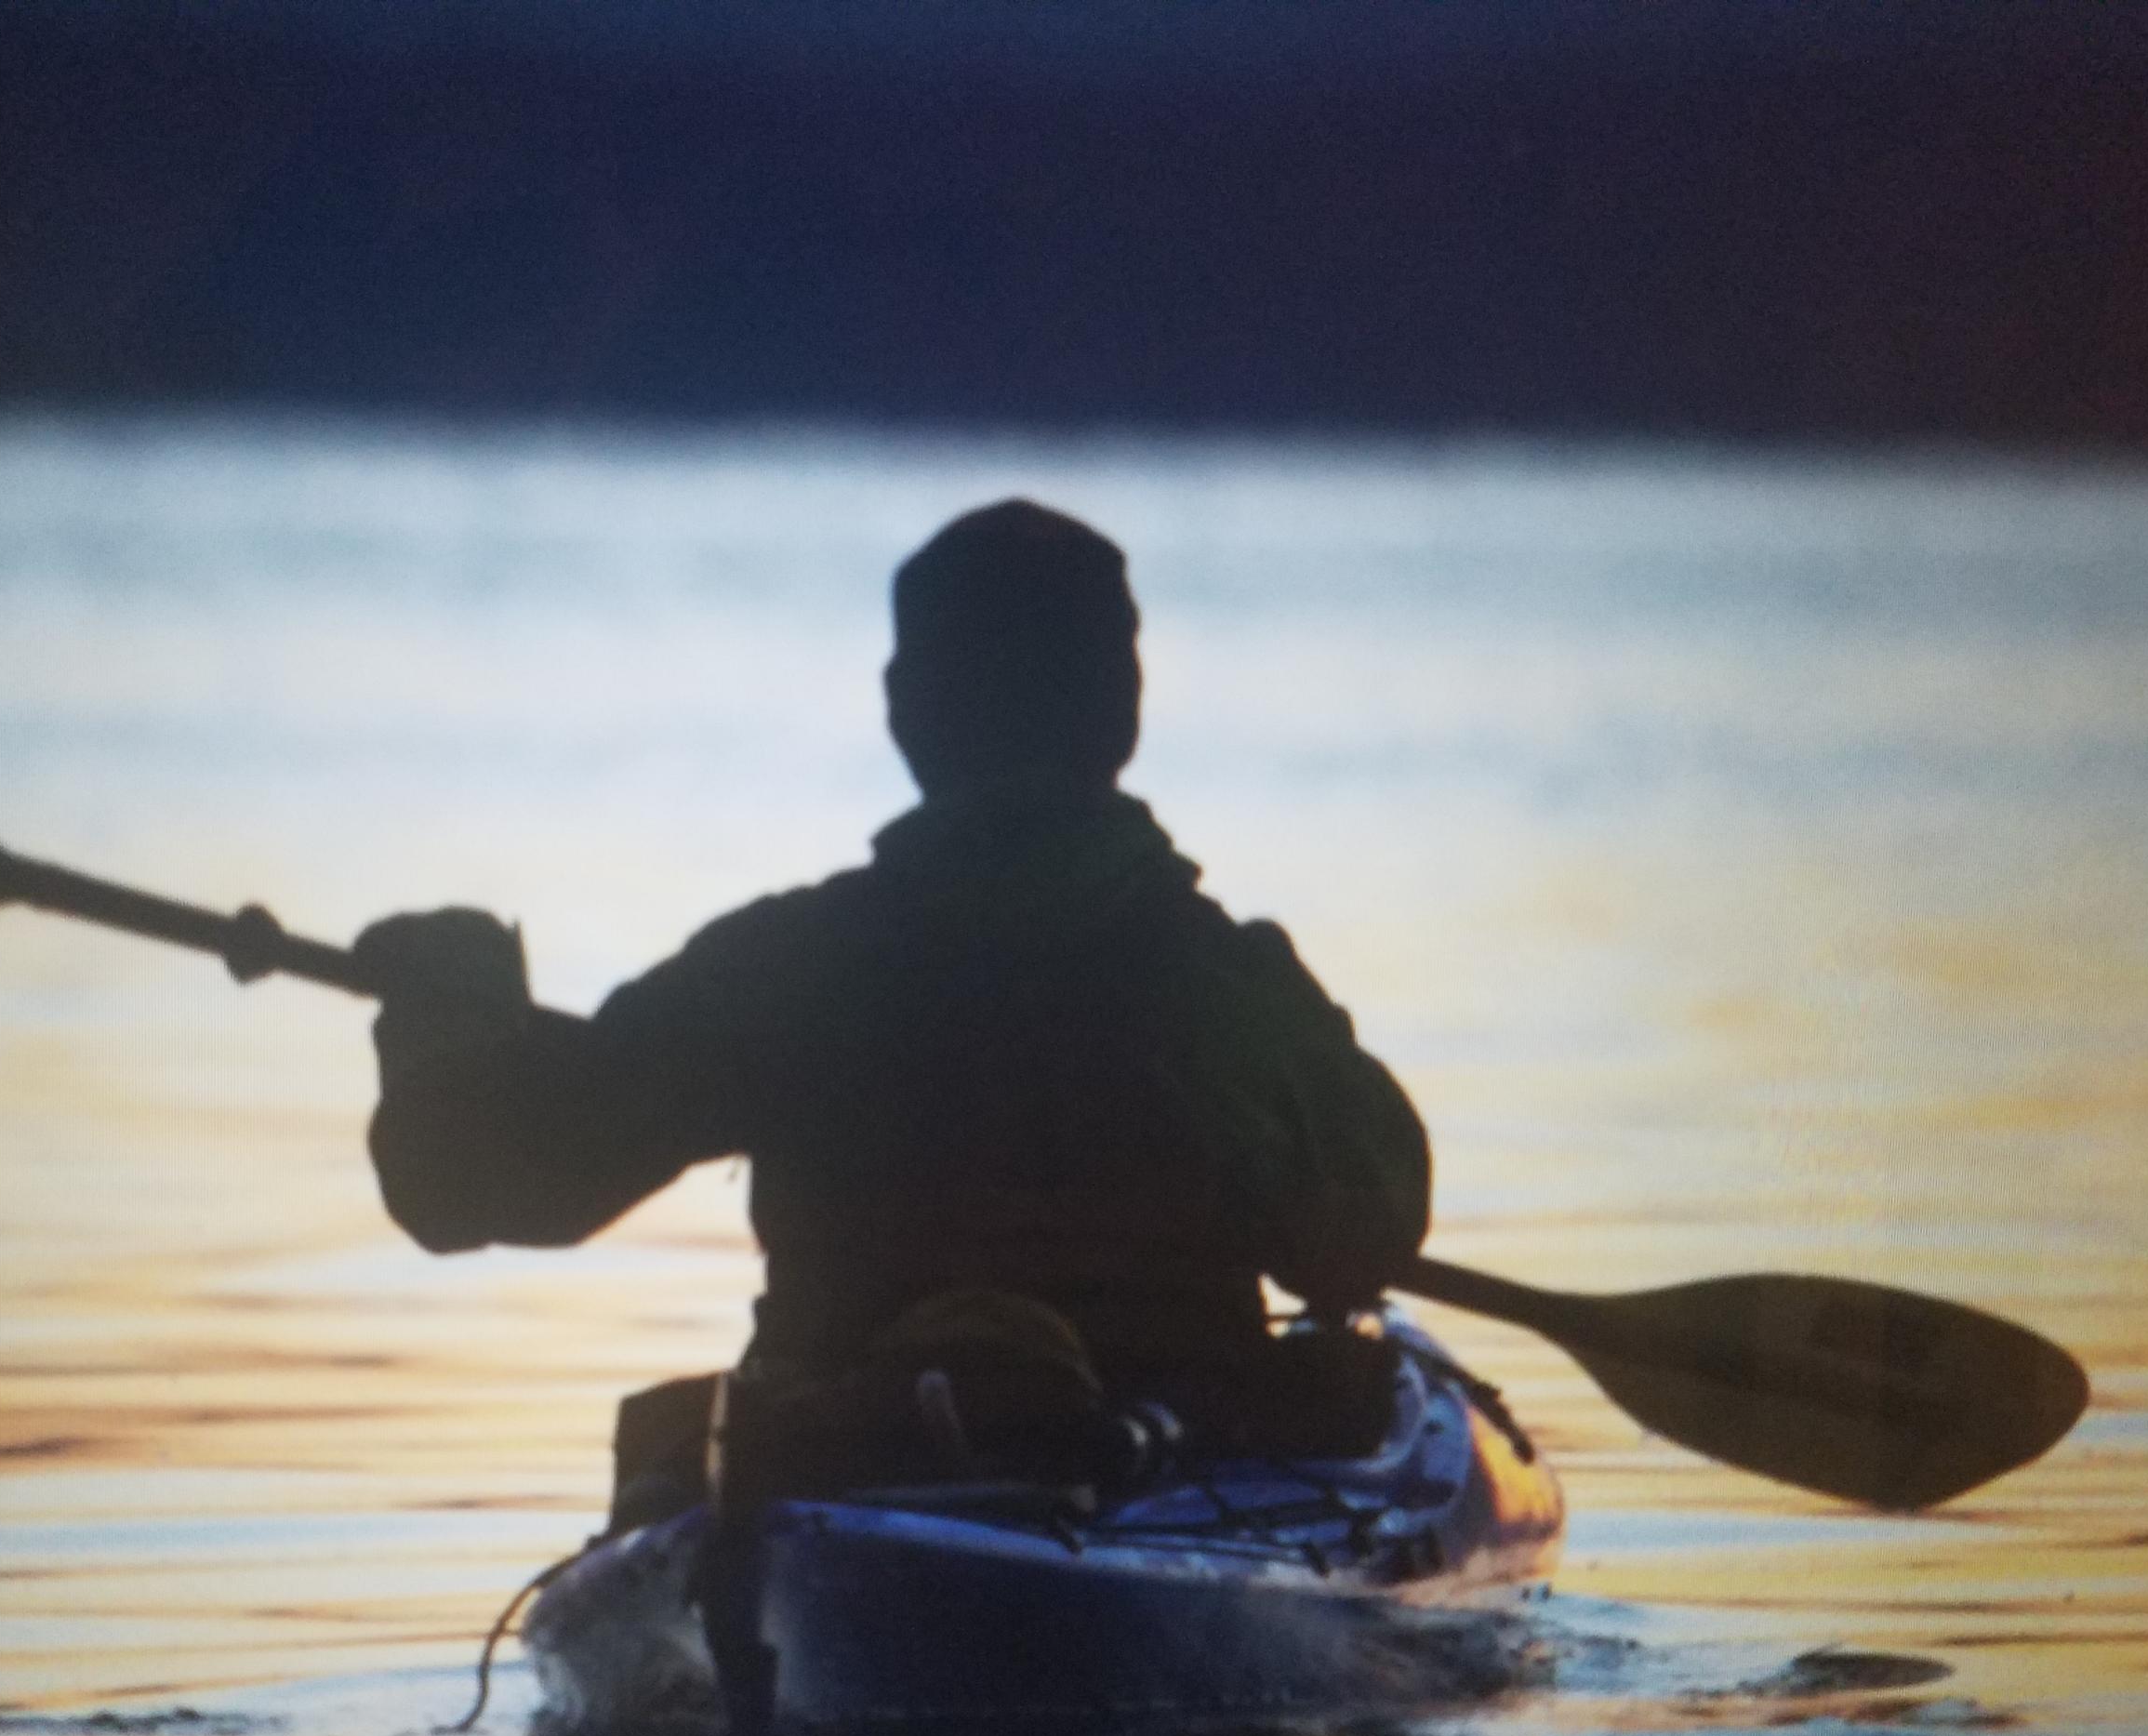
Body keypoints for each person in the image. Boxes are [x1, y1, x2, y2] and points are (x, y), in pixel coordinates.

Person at [358, 499, 1431, 1512]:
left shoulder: (785, 968)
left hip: (849, 1473)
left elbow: (472, 1181)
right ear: (1124, 707)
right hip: (1161, 1482)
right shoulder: (1227, 986)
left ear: (907, 707)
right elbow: (1363, 1244)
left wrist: (448, 1015)